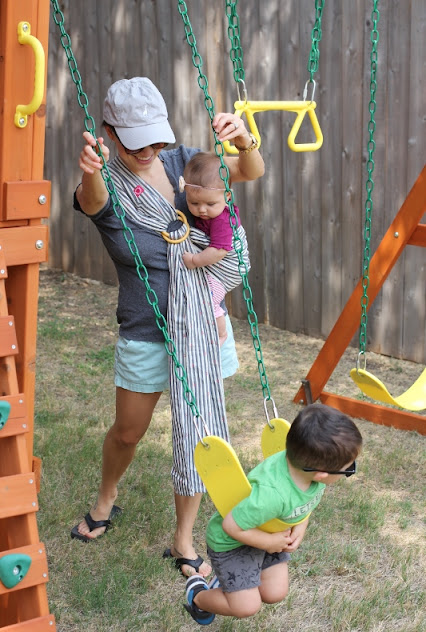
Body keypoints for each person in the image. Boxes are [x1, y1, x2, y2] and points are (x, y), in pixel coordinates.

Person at [70, 76, 264, 580]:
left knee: (199, 433)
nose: (148, 151)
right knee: (128, 431)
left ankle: (183, 538)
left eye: (155, 139)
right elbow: (92, 201)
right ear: (110, 133)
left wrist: (244, 140)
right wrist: (91, 170)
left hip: (199, 324)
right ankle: (107, 495)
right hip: (145, 326)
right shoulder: (108, 181)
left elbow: (248, 170)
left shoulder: (185, 164)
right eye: (136, 142)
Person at [183, 405, 363, 625]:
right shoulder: (272, 495)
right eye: (349, 469)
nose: (349, 471)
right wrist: (268, 542)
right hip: (234, 543)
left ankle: (234, 584)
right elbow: (230, 526)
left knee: (275, 593)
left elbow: (304, 505)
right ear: (322, 473)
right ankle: (198, 595)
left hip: (270, 533)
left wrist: (300, 526)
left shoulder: (310, 475)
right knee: (247, 606)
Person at [180, 152, 245, 345]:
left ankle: (221, 333)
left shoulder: (222, 219)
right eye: (194, 203)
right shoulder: (209, 211)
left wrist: (195, 260)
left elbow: (219, 250)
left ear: (227, 196)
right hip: (216, 262)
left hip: (229, 268)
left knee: (208, 298)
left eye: (210, 204)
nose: (202, 210)